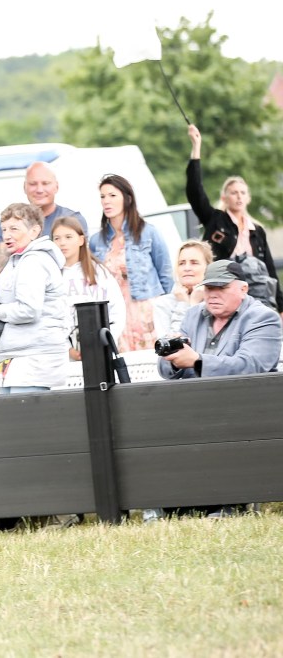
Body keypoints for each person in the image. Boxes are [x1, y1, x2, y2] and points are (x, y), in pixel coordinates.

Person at [156, 259, 282, 519]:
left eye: (221, 288)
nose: (212, 294)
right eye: (209, 288)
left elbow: (251, 366)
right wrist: (173, 360)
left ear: (243, 289)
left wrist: (197, 361)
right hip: (194, 407)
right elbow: (167, 370)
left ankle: (229, 501)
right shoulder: (193, 314)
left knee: (217, 425)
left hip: (245, 407)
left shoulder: (264, 317)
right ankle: (179, 500)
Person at [0, 203, 68, 531]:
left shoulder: (34, 260)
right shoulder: (19, 261)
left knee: (31, 441)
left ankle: (59, 513)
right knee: (17, 440)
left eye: (15, 228)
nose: (7, 235)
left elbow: (28, 310)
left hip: (36, 360)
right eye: (4, 229)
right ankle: (25, 512)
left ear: (34, 230)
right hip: (19, 360)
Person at [185, 124, 283, 312]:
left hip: (257, 295)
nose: (238, 196)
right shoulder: (215, 220)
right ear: (224, 197)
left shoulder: (257, 230)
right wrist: (196, 147)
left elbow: (270, 270)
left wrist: (280, 307)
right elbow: (195, 192)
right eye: (234, 192)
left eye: (242, 192)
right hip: (223, 292)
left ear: (248, 198)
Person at [89, 174, 173, 352]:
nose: (106, 201)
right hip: (114, 313)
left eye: (112, 195)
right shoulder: (96, 241)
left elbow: (166, 275)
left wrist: (166, 311)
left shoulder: (149, 232)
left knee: (152, 359)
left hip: (146, 311)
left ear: (127, 198)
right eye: (103, 196)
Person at [0, 162, 88, 273]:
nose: (39, 189)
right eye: (33, 184)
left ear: (56, 186)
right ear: (24, 187)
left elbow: (84, 263)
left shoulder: (73, 219)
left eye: (45, 183)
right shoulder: (8, 223)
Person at [51, 216, 125, 361]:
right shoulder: (50, 276)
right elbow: (49, 319)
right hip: (64, 358)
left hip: (101, 352)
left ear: (81, 240)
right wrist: (68, 349)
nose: (62, 243)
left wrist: (104, 341)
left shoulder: (99, 272)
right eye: (57, 238)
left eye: (68, 237)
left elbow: (117, 311)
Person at [152, 240, 213, 337]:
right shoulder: (163, 303)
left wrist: (194, 304)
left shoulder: (215, 299)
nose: (187, 268)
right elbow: (171, 342)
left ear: (208, 267)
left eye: (194, 263)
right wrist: (184, 304)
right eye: (181, 263)